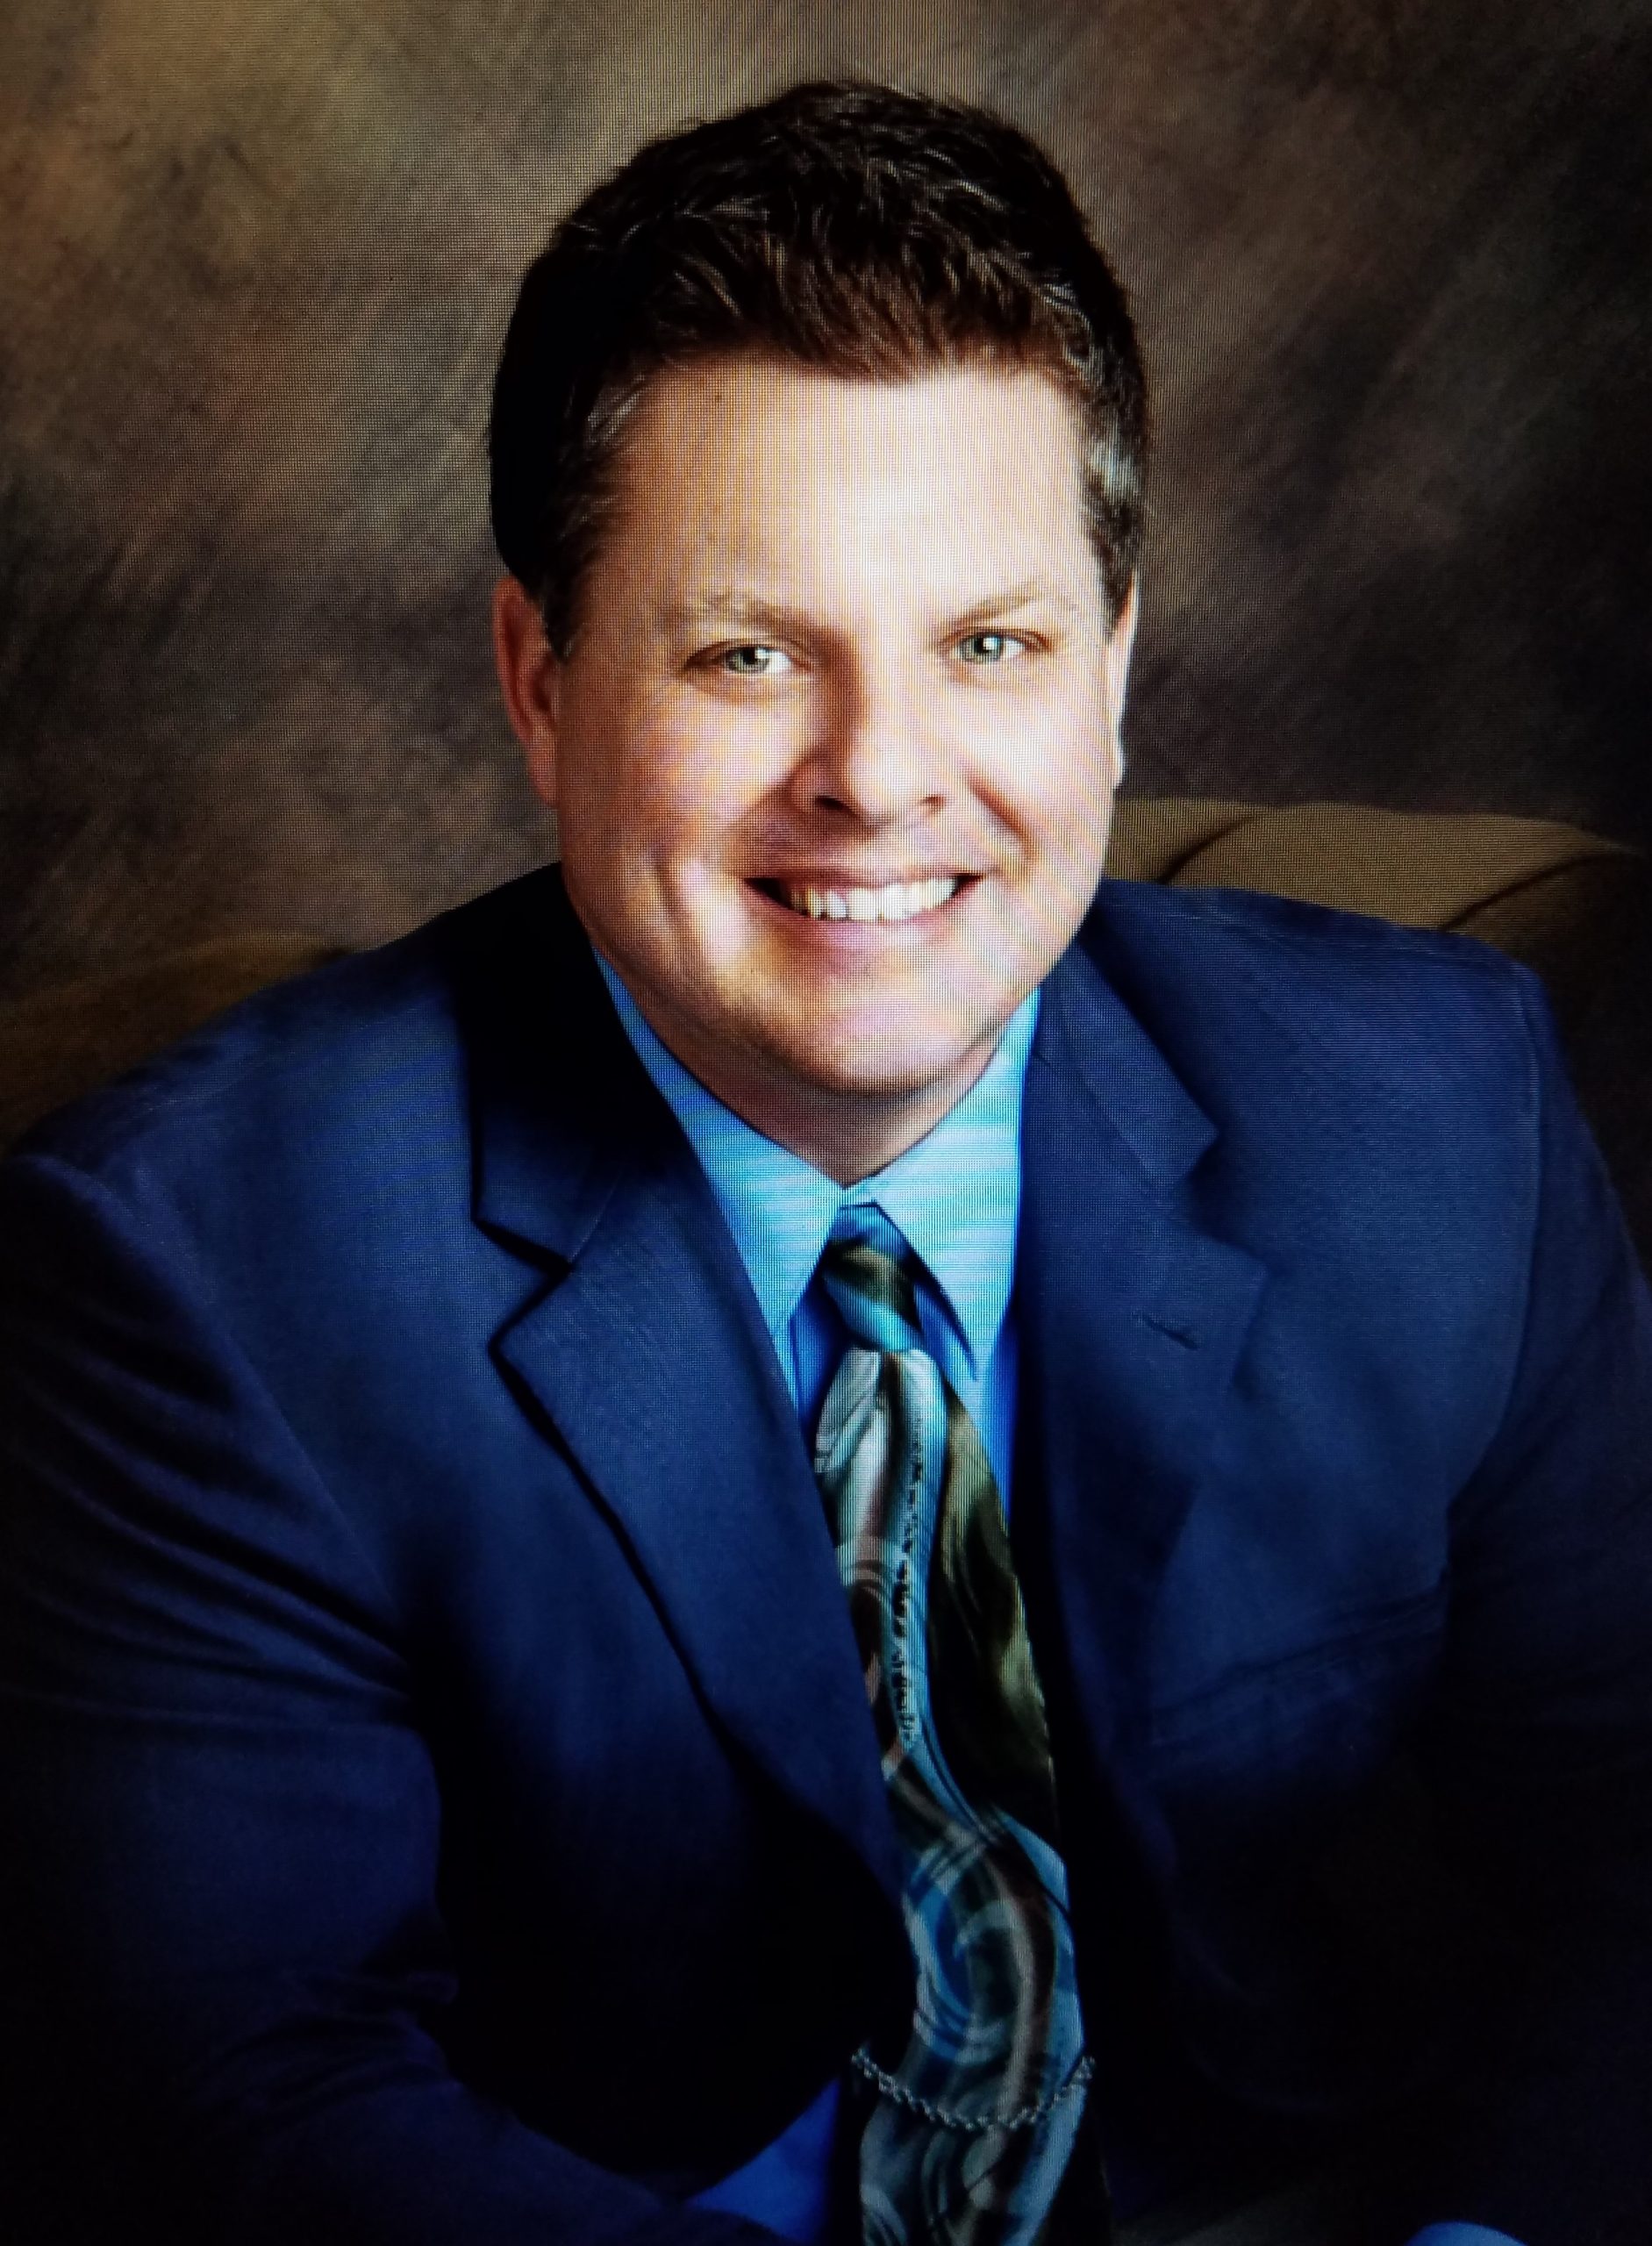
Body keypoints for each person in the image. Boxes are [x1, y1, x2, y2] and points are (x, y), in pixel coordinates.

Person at [2, 77, 1649, 2246]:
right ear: (539, 680)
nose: (879, 775)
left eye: (991, 644)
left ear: (1114, 670)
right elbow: (260, 2082)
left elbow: (1633, 1828)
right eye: (751, 652)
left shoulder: (1435, 1112)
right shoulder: (200, 1271)